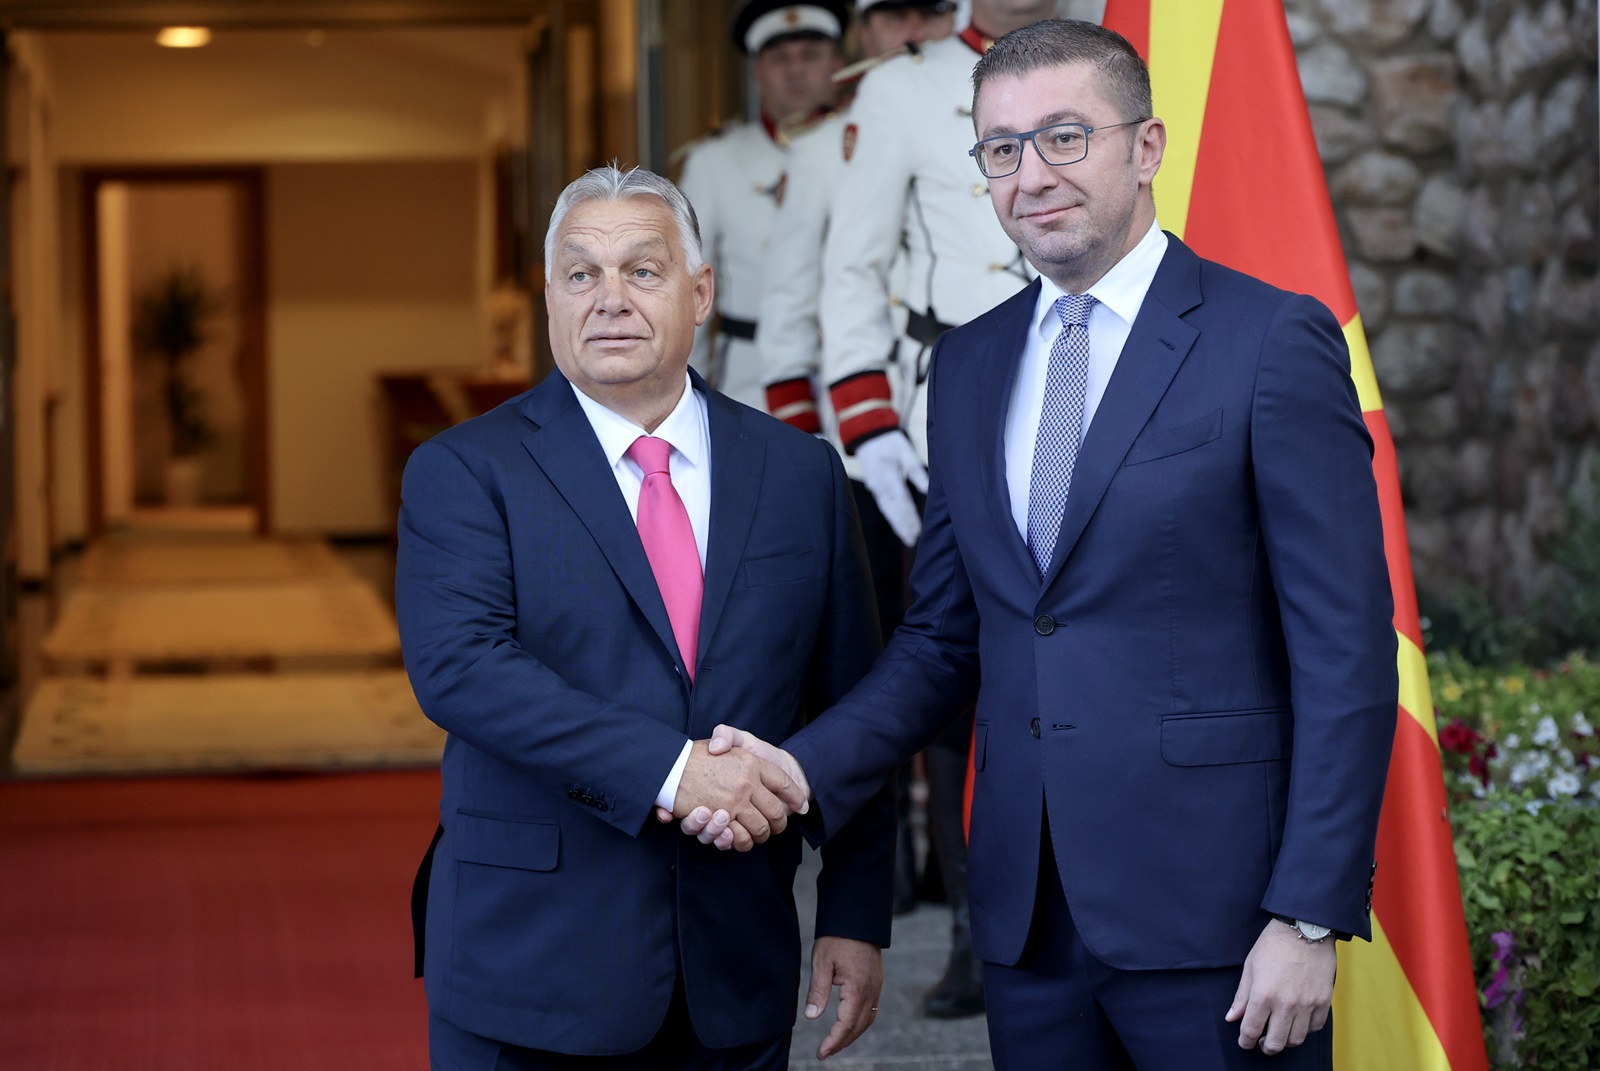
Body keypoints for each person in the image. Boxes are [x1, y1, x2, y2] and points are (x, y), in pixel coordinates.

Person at [693, 19, 1398, 1069]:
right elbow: (942, 641)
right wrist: (796, 766)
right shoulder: (970, 367)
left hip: (1223, 926)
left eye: (1065, 137)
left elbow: (1346, 651)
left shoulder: (1268, 342)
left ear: (1146, 146)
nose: (1031, 175)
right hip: (1028, 930)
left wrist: (1305, 917)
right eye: (1002, 148)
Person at [397, 165, 894, 1070]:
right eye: (581, 274)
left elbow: (852, 704)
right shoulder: (465, 470)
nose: (609, 300)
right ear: (550, 298)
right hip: (531, 966)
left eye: (643, 270)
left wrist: (858, 916)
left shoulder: (801, 475)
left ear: (700, 292)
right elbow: (462, 669)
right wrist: (674, 772)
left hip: (735, 962)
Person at [807, 0, 1061, 1020]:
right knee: (957, 672)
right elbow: (852, 268)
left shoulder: (1110, 58)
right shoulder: (904, 89)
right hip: (948, 408)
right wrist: (865, 426)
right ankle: (972, 922)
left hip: (1096, 391)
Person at [754, 0, 957, 942]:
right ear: (864, 36)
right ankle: (883, 846)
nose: (908, 34)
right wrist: (823, 462)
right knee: (878, 666)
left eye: (929, 13)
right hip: (856, 446)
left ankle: (947, 865)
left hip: (929, 415)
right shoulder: (821, 149)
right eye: (890, 16)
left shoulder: (961, 109)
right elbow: (795, 320)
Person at [676, 0, 849, 411]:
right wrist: (683, 403)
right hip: (751, 389)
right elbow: (685, 293)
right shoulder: (714, 163)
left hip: (849, 378)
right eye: (779, 58)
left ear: (838, 64)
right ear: (757, 74)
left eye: (810, 55)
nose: (795, 70)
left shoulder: (863, 151)